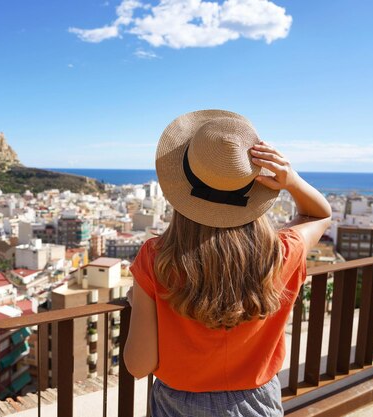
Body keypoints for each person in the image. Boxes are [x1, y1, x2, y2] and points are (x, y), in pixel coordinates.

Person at [123, 110, 331, 417]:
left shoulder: (157, 259)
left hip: (177, 405)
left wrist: (141, 301)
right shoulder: (282, 254)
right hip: (258, 402)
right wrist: (291, 180)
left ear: (180, 189)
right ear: (255, 188)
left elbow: (138, 365)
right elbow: (320, 215)